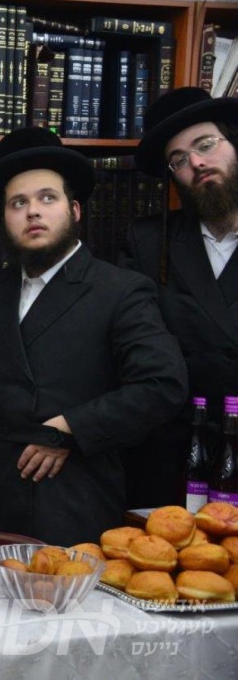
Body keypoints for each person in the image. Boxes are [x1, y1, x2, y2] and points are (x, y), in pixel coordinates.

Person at [0, 127, 187, 546]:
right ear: (4, 219)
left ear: (74, 210)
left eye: (47, 198)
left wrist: (70, 427)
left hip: (73, 498)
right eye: (18, 203)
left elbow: (162, 384)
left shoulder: (121, 290)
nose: (32, 212)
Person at [119, 87, 238, 507]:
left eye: (205, 145)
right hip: (171, 456)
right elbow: (133, 349)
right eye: (179, 160)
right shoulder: (148, 241)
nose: (197, 163)